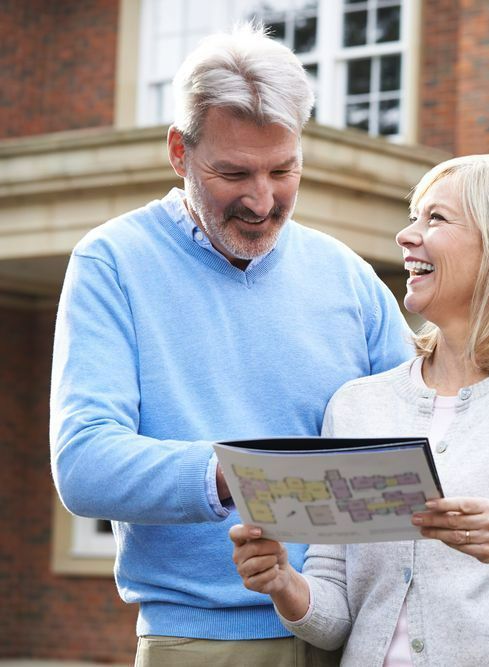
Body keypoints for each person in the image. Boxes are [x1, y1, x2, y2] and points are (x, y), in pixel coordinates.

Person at [49, 23, 411, 666]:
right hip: (201, 642)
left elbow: (419, 438)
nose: (262, 200)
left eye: (283, 169)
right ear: (178, 153)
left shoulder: (348, 276)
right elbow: (84, 463)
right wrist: (246, 479)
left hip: (355, 633)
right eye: (234, 172)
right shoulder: (113, 263)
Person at [230, 154, 489, 666]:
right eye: (413, 216)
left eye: (436, 219)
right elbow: (336, 618)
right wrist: (284, 582)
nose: (406, 235)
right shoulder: (357, 406)